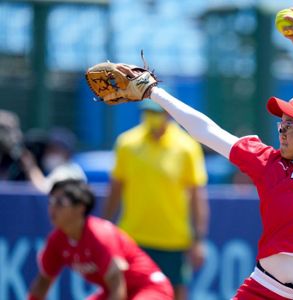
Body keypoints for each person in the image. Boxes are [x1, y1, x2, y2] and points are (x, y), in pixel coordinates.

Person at [112, 7, 293, 299]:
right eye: (280, 122)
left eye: (291, 123)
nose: (281, 129)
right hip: (265, 287)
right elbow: (207, 131)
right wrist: (154, 92)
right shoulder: (267, 161)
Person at [103, 101, 208, 300]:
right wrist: (106, 229)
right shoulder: (127, 143)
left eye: (156, 112)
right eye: (148, 112)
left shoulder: (187, 147)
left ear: (169, 114)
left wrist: (198, 240)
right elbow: (115, 191)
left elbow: (197, 197)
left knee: (176, 294)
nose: (152, 116)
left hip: (174, 241)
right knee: (128, 292)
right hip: (133, 238)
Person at [27, 179, 173, 300]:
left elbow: (118, 288)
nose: (52, 208)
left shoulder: (99, 236)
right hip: (118, 292)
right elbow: (42, 283)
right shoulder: (57, 240)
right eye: (51, 201)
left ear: (80, 208)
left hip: (151, 288)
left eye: (60, 202)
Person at [21, 127, 87, 193]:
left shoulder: (69, 172)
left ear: (67, 153)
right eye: (49, 149)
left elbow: (43, 192)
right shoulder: (56, 170)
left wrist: (31, 167)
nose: (49, 153)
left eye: (55, 150)